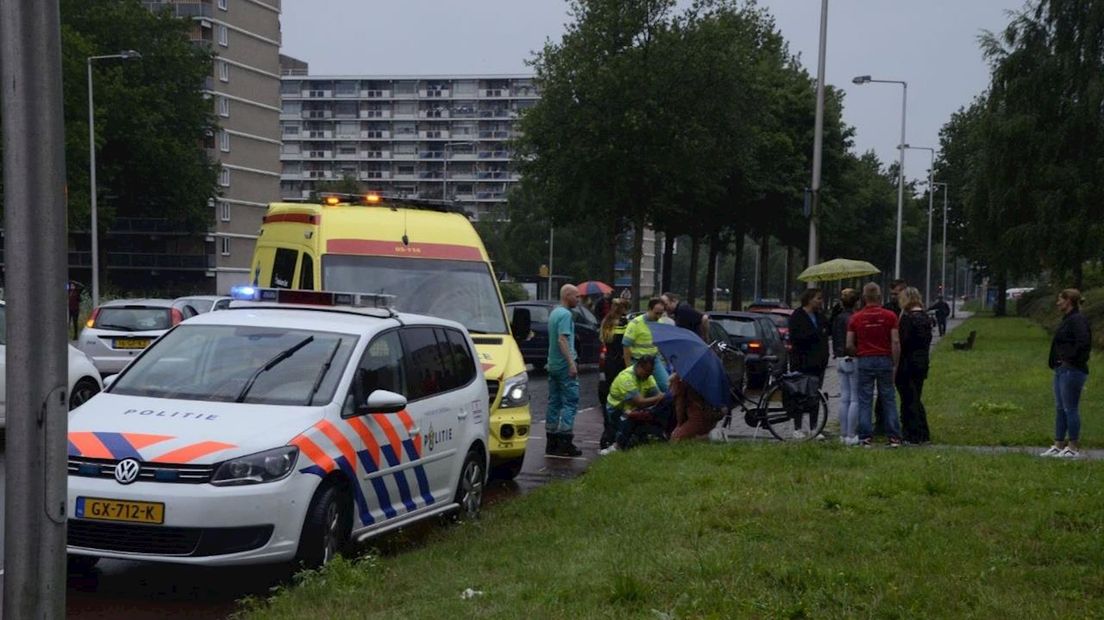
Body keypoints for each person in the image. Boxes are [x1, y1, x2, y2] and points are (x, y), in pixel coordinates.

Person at [847, 282, 902, 447]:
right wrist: (895, 363)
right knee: (888, 398)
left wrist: (859, 353)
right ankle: (893, 437)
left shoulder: (855, 318)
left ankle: (865, 437)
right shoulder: (890, 316)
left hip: (865, 360)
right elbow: (895, 341)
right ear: (879, 297)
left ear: (864, 298)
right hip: (885, 359)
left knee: (865, 399)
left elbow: (849, 344)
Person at [1041, 288, 1091, 458]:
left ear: (1068, 301)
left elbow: (1083, 343)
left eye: (1060, 300)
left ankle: (1073, 446)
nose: (1058, 303)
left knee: (1070, 408)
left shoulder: (1077, 320)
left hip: (1072, 371)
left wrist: (1069, 359)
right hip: (1061, 370)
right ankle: (1059, 444)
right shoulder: (1068, 319)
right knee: (1060, 408)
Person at [787, 288, 830, 440]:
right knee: (800, 395)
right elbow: (796, 338)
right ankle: (798, 427)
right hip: (802, 362)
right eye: (818, 298)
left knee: (815, 396)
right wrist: (816, 332)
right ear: (809, 299)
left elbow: (827, 332)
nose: (820, 301)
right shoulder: (797, 316)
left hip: (818, 363)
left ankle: (813, 428)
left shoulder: (820, 317)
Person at [545, 284, 582, 457]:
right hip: (563, 366)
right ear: (567, 296)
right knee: (570, 402)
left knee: (554, 402)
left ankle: (550, 441)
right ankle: (565, 441)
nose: (579, 299)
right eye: (576, 296)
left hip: (552, 364)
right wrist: (571, 363)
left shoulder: (554, 313)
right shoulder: (566, 315)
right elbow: (562, 340)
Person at [602, 354, 666, 453]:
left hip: (633, 408)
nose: (649, 375)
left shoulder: (648, 377)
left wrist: (660, 398)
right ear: (640, 367)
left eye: (650, 372)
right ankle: (617, 445)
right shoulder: (627, 378)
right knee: (630, 416)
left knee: (656, 412)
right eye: (647, 372)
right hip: (617, 410)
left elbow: (658, 396)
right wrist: (658, 398)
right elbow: (639, 402)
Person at [896, 287, 933, 444]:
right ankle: (923, 432)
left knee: (908, 399)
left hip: (907, 363)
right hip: (922, 362)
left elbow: (902, 342)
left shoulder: (907, 319)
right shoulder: (925, 318)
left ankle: (912, 434)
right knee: (916, 397)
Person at [598, 298, 630, 448]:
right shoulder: (624, 324)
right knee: (620, 395)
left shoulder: (606, 322)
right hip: (620, 363)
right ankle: (617, 432)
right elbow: (627, 343)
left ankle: (607, 432)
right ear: (623, 309)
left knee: (606, 396)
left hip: (607, 364)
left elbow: (603, 341)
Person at [831, 288, 860, 446]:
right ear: (856, 302)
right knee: (855, 398)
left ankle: (842, 433)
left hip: (840, 358)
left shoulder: (837, 318)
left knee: (844, 397)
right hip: (853, 358)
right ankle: (851, 433)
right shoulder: (854, 318)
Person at [622, 298, 670, 392]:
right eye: (656, 313)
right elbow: (626, 346)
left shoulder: (660, 323)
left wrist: (667, 361)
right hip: (638, 361)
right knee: (641, 389)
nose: (658, 316)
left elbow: (661, 344)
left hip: (654, 360)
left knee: (666, 386)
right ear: (649, 309)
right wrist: (628, 368)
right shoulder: (635, 323)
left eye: (661, 313)